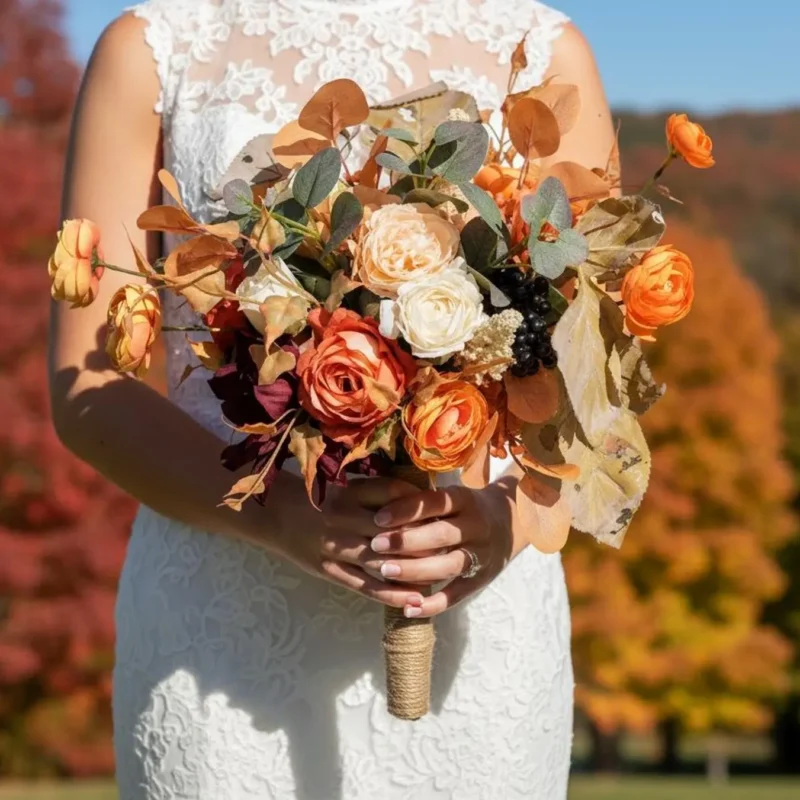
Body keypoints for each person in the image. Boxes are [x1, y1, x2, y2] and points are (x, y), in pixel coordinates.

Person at [49, 1, 615, 797]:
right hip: (219, 624)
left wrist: (504, 523)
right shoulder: (156, 44)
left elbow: (594, 380)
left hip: (477, 633)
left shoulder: (540, 48)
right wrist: (277, 511)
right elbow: (85, 384)